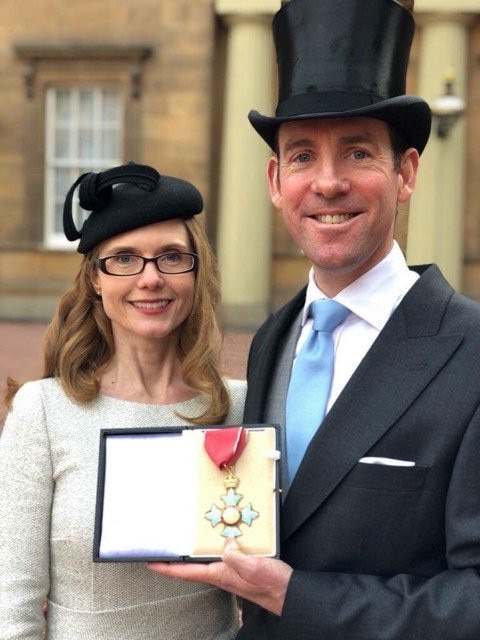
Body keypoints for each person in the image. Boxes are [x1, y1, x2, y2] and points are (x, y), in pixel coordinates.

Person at [147, 1, 480, 638]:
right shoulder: (276, 336)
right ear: (276, 180)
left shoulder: (469, 352)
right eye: (302, 157)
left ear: (404, 172)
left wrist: (300, 595)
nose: (326, 184)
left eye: (357, 153)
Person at [0, 162, 246, 639]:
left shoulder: (239, 408)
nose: (150, 278)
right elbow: (12, 601)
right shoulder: (44, 411)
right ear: (95, 279)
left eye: (172, 257)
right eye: (124, 258)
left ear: (197, 272)